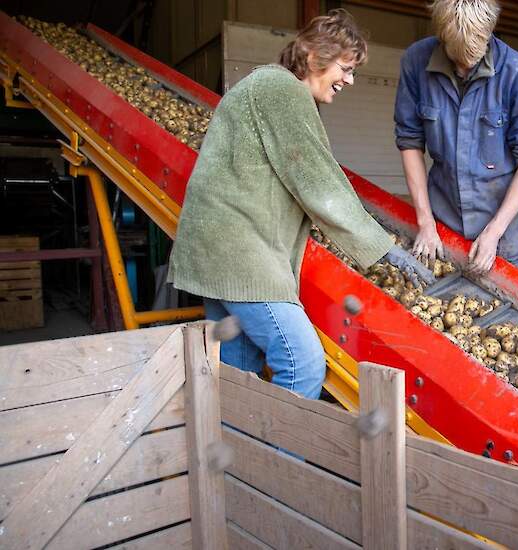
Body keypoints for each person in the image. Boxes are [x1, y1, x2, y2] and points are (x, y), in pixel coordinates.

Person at [169, 11, 428, 399]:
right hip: (240, 257)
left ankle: (239, 457)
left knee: (240, 380)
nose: (350, 80)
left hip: (215, 255)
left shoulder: (263, 86)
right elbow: (317, 182)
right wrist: (385, 248)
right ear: (312, 57)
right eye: (345, 68)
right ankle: (280, 459)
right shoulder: (282, 90)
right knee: (303, 364)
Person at [394, 0, 518, 273]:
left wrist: (494, 232)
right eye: (457, 61)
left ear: (489, 34)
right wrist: (425, 222)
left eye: (473, 60)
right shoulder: (416, 62)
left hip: (501, 233)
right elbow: (410, 141)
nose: (464, 70)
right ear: (442, 37)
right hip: (442, 224)